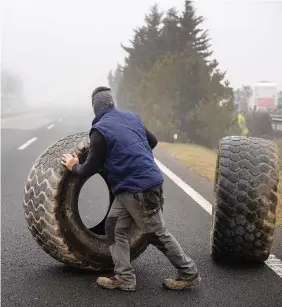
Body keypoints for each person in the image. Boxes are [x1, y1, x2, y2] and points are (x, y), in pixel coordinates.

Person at [61, 86, 200, 292]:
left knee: (156, 233)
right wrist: (134, 156)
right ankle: (125, 277)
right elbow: (152, 141)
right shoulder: (131, 118)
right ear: (111, 102)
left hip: (139, 191)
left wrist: (74, 166)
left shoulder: (100, 131)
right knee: (113, 227)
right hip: (133, 188)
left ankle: (188, 272)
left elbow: (89, 167)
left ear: (95, 107)